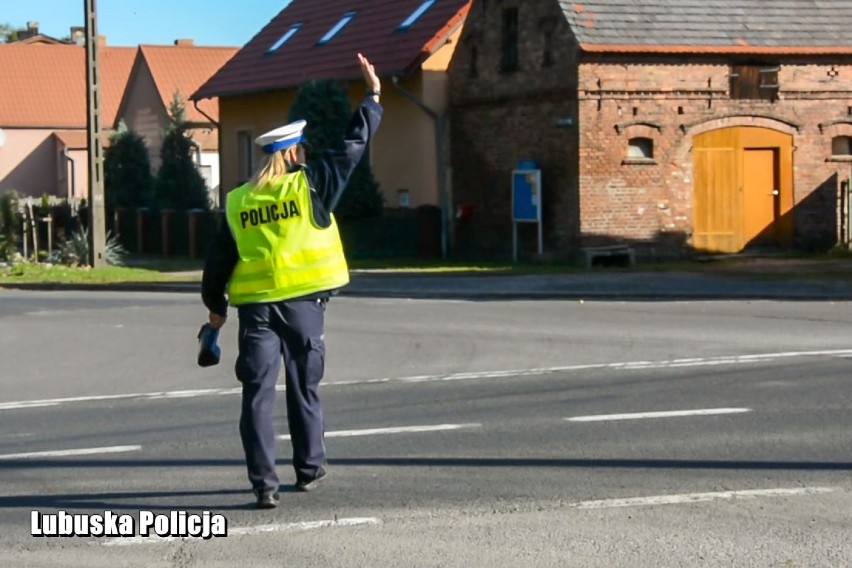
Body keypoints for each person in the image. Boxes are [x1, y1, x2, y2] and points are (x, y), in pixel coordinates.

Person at [201, 53, 382, 510]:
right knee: (304, 386)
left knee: (257, 395)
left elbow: (218, 260)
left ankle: (264, 486)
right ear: (297, 151)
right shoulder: (313, 184)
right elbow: (353, 146)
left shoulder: (239, 200)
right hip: (304, 308)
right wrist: (373, 97)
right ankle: (309, 468)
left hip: (257, 311)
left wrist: (215, 309)